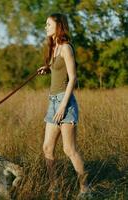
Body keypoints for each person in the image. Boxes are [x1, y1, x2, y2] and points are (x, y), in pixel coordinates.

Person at [37, 13, 90, 196]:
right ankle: (55, 186)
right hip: (52, 101)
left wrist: (62, 106)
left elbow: (73, 78)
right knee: (47, 148)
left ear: (58, 26)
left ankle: (85, 189)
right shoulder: (54, 48)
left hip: (65, 103)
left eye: (48, 24)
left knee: (69, 149)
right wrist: (47, 68)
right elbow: (57, 69)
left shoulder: (66, 47)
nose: (46, 27)